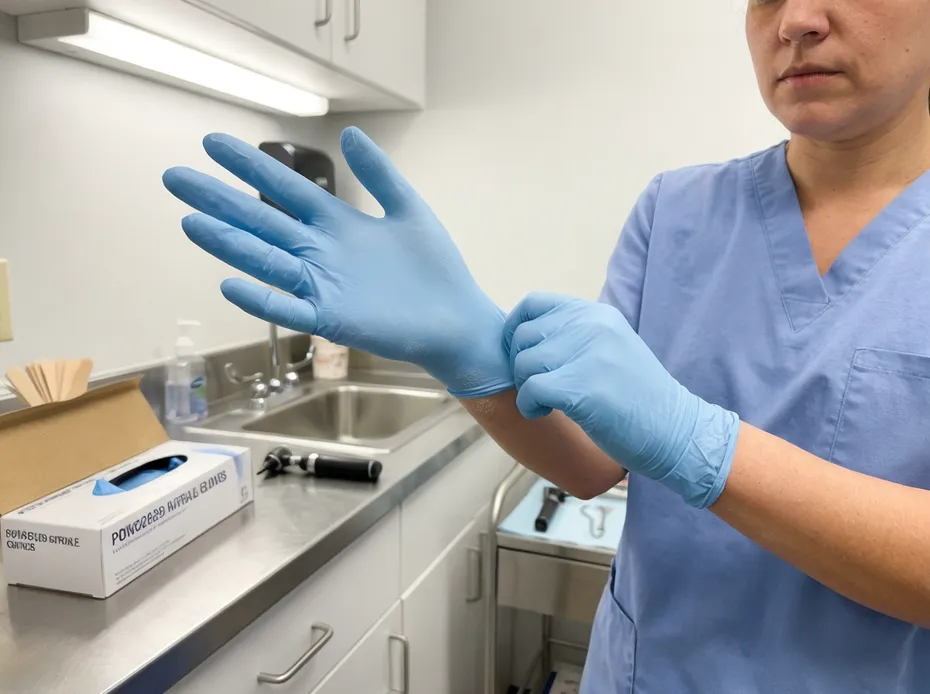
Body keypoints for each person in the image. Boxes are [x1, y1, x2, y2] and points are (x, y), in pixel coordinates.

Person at [162, 1, 930, 691]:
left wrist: (704, 447)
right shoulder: (677, 211)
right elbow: (592, 463)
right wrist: (467, 352)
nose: (795, 19)